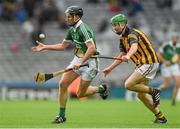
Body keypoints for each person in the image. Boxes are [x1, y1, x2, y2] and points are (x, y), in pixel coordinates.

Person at [31, 6, 108, 124]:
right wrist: (45, 47)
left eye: (69, 17)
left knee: (80, 94)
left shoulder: (83, 29)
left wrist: (81, 62)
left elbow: (92, 48)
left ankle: (101, 89)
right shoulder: (72, 30)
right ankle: (61, 116)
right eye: (66, 16)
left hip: (90, 63)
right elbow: (62, 46)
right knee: (62, 84)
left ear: (76, 17)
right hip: (79, 59)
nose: (66, 19)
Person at [102, 14, 167, 123]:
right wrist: (110, 68)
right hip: (142, 65)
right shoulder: (122, 38)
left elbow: (134, 47)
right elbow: (121, 55)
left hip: (149, 62)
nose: (114, 28)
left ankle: (155, 91)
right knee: (141, 95)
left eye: (115, 25)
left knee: (128, 84)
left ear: (122, 24)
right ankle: (160, 117)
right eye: (113, 26)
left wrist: (128, 56)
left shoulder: (132, 33)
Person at [157, 34, 180, 106]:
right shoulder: (166, 45)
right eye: (173, 38)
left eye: (176, 38)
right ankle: (158, 90)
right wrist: (164, 61)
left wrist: (176, 61)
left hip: (174, 66)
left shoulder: (179, 47)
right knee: (167, 85)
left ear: (177, 39)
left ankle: (173, 100)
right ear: (172, 38)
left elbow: (178, 58)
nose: (174, 39)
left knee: (178, 83)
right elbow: (159, 54)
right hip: (165, 66)